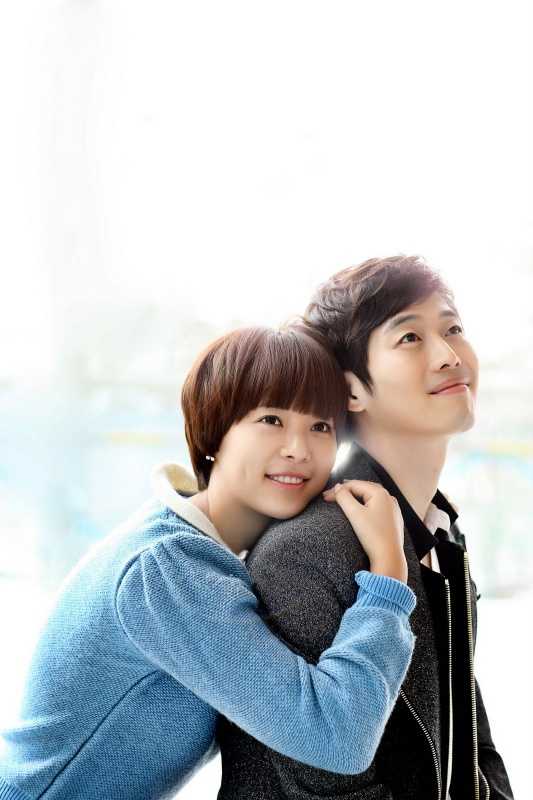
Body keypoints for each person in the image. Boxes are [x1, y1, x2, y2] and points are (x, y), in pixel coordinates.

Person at [0, 325, 417, 800]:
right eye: (271, 420)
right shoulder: (167, 569)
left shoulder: (204, 553)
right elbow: (336, 736)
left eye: (320, 427)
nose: (298, 450)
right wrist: (388, 572)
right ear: (215, 433)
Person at [216, 256, 514, 800]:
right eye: (410, 338)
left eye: (452, 328)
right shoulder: (304, 552)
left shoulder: (442, 534)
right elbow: (328, 786)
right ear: (352, 391)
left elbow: (471, 743)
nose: (449, 356)